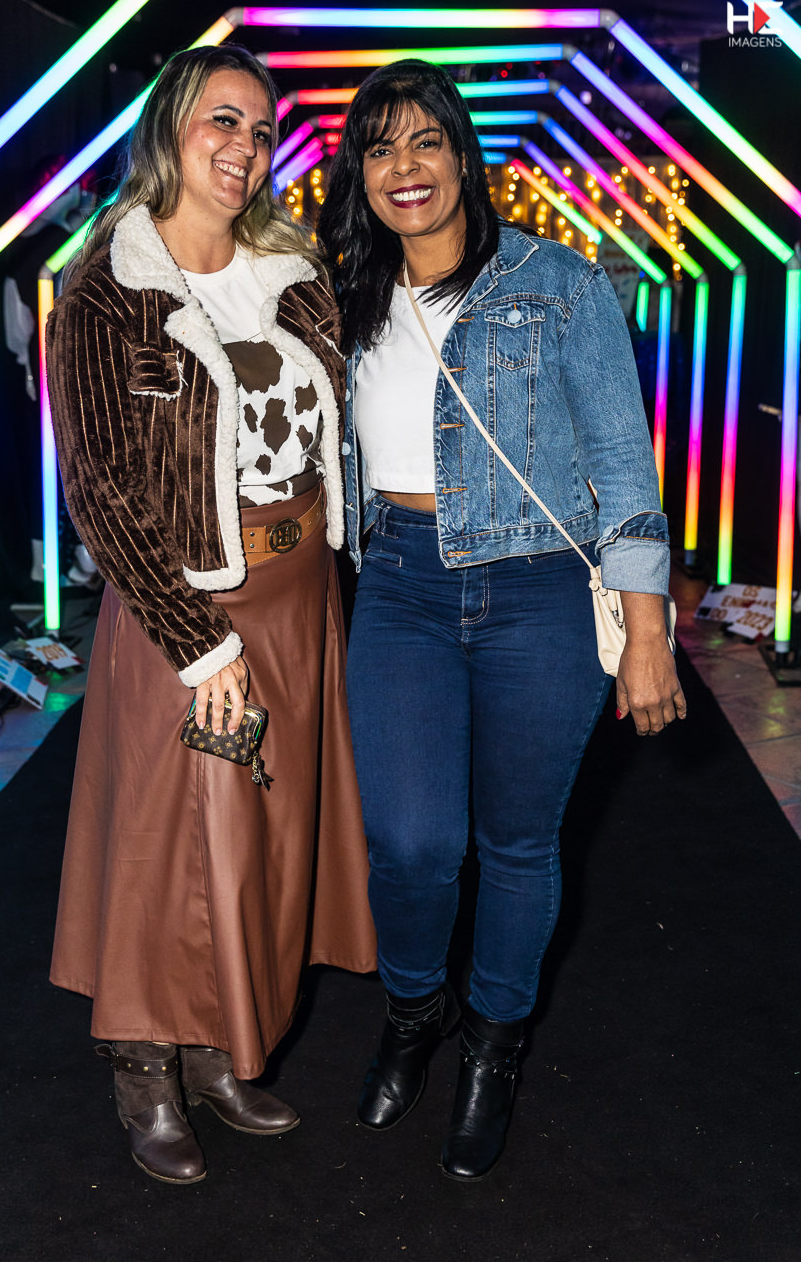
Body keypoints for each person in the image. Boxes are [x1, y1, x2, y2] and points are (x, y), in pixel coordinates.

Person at [318, 59, 686, 1182]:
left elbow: (622, 464)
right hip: (401, 585)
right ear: (360, 175)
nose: (404, 166)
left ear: (461, 156)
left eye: (424, 140)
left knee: (517, 844)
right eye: (380, 147)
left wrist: (649, 632)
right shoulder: (343, 295)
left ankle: (494, 1044)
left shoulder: (558, 281)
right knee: (412, 843)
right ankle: (413, 1011)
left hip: (538, 591)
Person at [46, 44, 376, 1185]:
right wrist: (199, 640)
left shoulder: (294, 269)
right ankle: (145, 1065)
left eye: (260, 127)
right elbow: (100, 486)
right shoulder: (109, 288)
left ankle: (220, 1046)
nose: (245, 145)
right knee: (167, 840)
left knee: (265, 841)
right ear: (168, 130)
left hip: (300, 597)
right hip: (183, 603)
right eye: (220, 120)